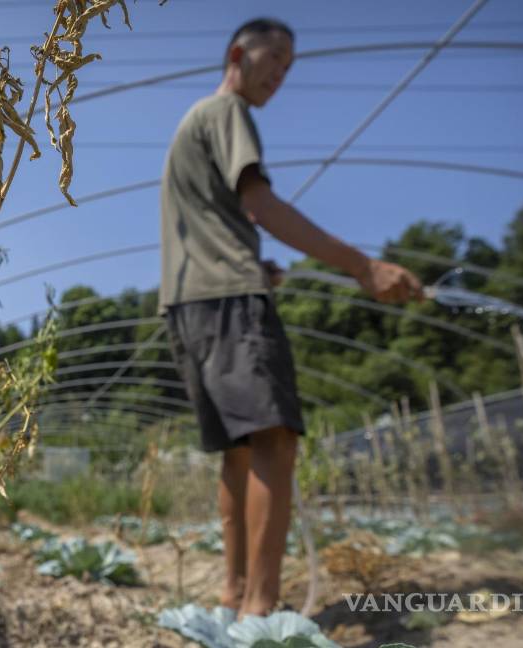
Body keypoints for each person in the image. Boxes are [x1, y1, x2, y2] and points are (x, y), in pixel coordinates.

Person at [157, 17, 423, 620]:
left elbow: (220, 223)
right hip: (228, 299)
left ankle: (233, 595)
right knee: (274, 441)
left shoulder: (191, 125)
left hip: (188, 303)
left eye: (289, 66)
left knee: (238, 451)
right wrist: (363, 266)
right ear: (236, 54)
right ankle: (261, 610)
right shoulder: (227, 113)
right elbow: (260, 204)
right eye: (273, 57)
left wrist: (259, 263)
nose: (280, 74)